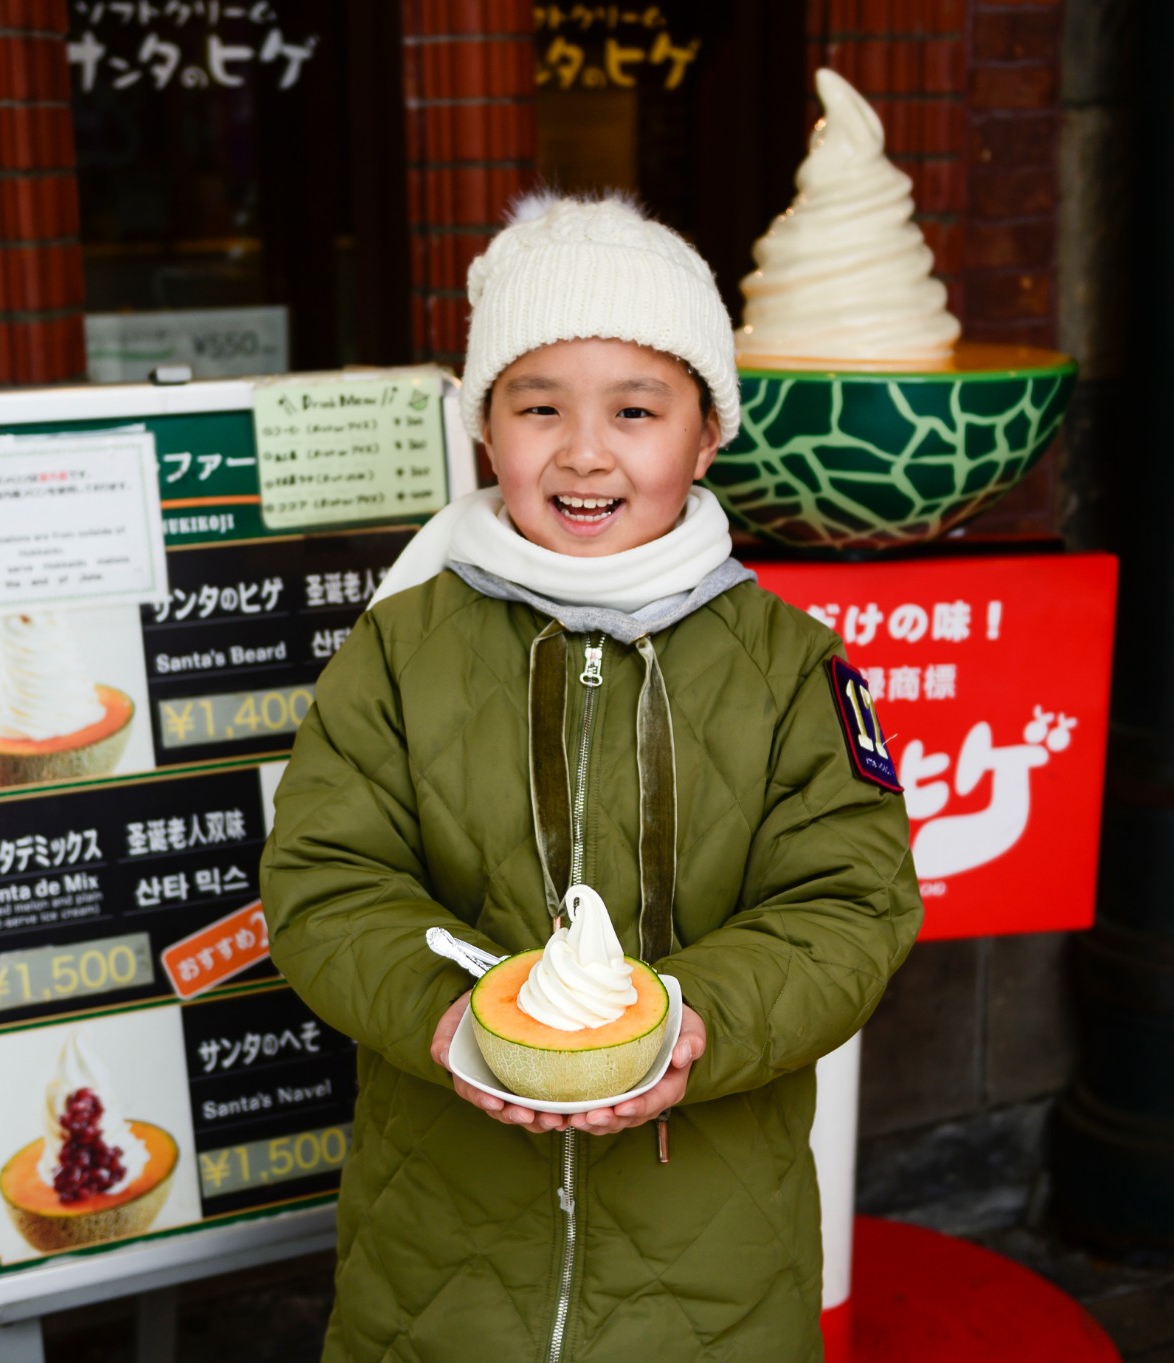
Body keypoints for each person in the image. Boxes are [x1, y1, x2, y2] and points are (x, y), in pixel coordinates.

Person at [260, 191, 922, 1363]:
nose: (581, 451)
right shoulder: (400, 646)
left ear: (705, 432)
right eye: (537, 405)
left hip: (711, 1265)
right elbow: (325, 880)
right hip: (440, 1257)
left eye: (633, 408)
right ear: (484, 428)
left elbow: (848, 903)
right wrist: (446, 1018)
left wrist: (696, 1023)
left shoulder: (787, 665)